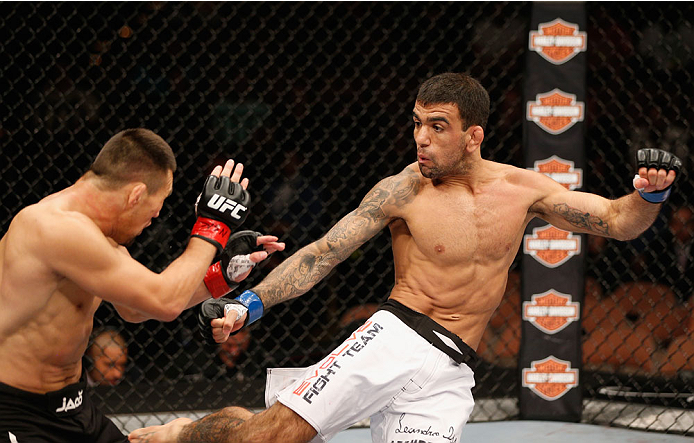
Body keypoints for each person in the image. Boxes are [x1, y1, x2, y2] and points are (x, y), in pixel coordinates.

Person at [129, 73, 681, 443]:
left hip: (451, 367)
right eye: (417, 123)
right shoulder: (402, 190)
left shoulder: (523, 191)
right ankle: (183, 434)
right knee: (269, 437)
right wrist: (249, 303)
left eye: (436, 126)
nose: (420, 138)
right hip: (395, 334)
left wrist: (649, 194)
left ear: (473, 135)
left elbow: (615, 220)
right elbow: (323, 254)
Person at [0, 128, 284, 443]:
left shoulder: (97, 236)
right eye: (155, 209)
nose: (154, 218)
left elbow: (135, 309)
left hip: (73, 407)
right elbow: (165, 302)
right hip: (15, 413)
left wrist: (223, 274)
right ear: (136, 194)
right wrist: (212, 227)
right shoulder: (54, 228)